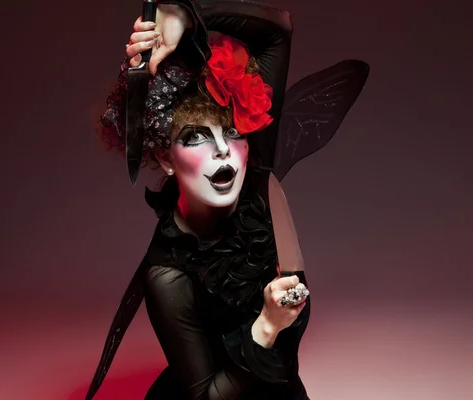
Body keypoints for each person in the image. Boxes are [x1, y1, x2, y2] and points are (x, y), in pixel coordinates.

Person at [85, 1, 369, 399]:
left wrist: (186, 15)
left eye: (233, 131)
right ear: (166, 158)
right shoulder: (168, 276)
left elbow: (277, 29)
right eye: (195, 136)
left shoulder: (255, 180)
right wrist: (266, 327)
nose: (223, 150)